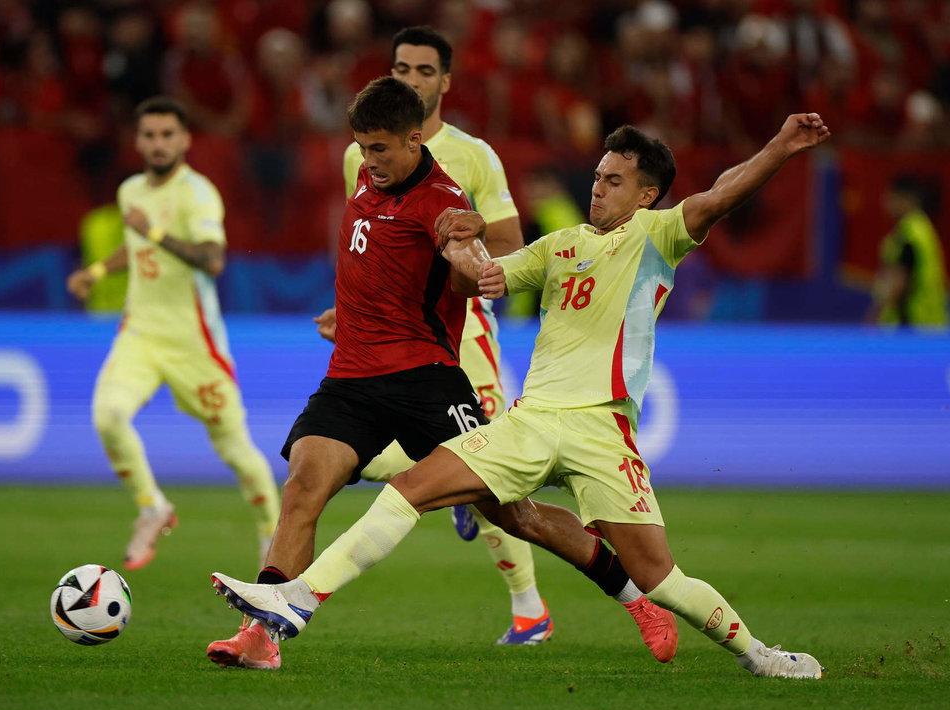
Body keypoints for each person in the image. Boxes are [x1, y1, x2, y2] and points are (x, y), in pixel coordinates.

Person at [211, 113, 833, 679]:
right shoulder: (559, 246)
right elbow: (484, 278)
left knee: (660, 577)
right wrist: (467, 238)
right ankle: (295, 600)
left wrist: (779, 144)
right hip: (530, 422)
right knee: (410, 490)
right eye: (597, 176)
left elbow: (721, 193)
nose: (598, 188)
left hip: (602, 429)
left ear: (646, 195)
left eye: (614, 181)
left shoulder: (658, 236)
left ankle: (760, 655)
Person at [206, 76, 673, 671]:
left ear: (414, 138)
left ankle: (636, 598)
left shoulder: (443, 203)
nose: (368, 161)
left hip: (425, 381)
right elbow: (376, 260)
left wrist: (470, 251)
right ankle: (258, 638)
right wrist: (350, 312)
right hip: (349, 377)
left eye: (380, 148)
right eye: (362, 147)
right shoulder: (367, 173)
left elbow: (463, 270)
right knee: (301, 489)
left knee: (515, 514)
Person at [322, 26, 672, 650]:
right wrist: (353, 308)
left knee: (503, 500)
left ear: (446, 82)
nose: (411, 79)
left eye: (424, 71)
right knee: (358, 466)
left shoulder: (474, 156)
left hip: (461, 342)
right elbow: (369, 243)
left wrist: (459, 248)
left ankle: (530, 607)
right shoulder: (362, 153)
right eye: (401, 67)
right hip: (388, 345)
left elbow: (509, 250)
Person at [66, 96, 280, 572]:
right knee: (108, 415)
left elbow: (213, 259)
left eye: (167, 135)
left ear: (184, 140)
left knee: (237, 452)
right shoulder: (130, 192)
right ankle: (152, 506)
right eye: (149, 135)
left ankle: (272, 532)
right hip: (140, 332)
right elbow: (135, 241)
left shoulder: (198, 194)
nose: (158, 144)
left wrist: (158, 234)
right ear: (138, 141)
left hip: (193, 343)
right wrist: (98, 270)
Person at [867, 174, 950, 328]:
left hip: (914, 325)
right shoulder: (922, 228)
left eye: (891, 197)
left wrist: (874, 316)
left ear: (906, 199)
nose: (886, 202)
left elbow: (899, 281)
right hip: (929, 324)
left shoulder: (911, 232)